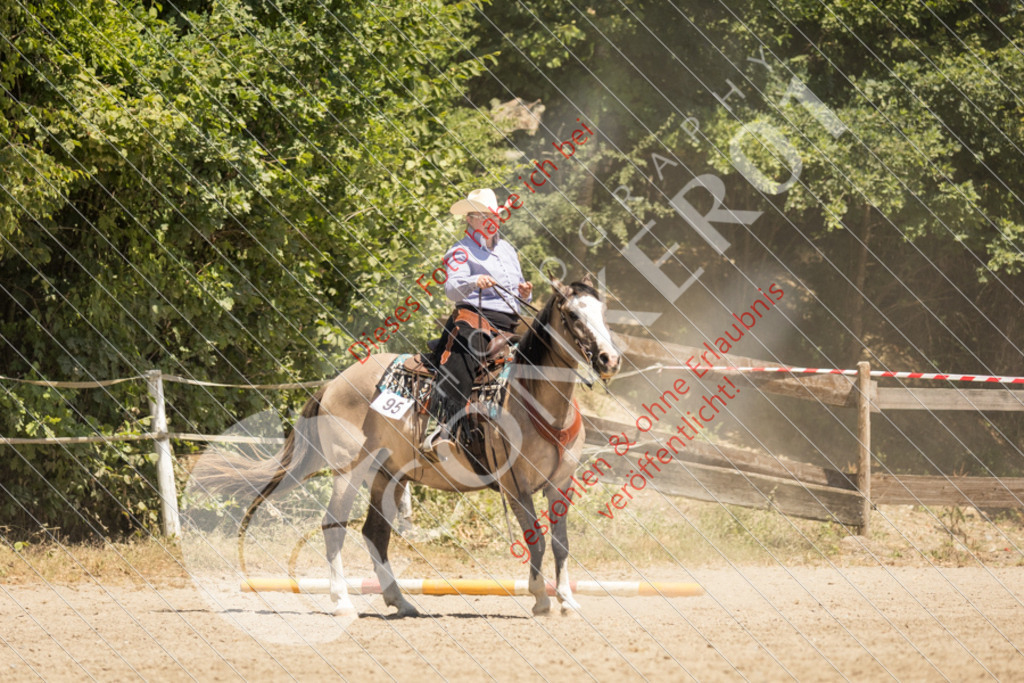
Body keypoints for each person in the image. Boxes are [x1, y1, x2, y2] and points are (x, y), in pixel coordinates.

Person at [424, 188, 533, 453]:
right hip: (475, 318)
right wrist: (475, 281)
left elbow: (519, 289)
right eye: (481, 215)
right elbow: (451, 289)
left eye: (492, 214)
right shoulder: (461, 251)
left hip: (511, 320)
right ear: (469, 220)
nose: (488, 219)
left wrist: (526, 293)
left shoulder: (508, 249)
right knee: (464, 350)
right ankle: (443, 429)